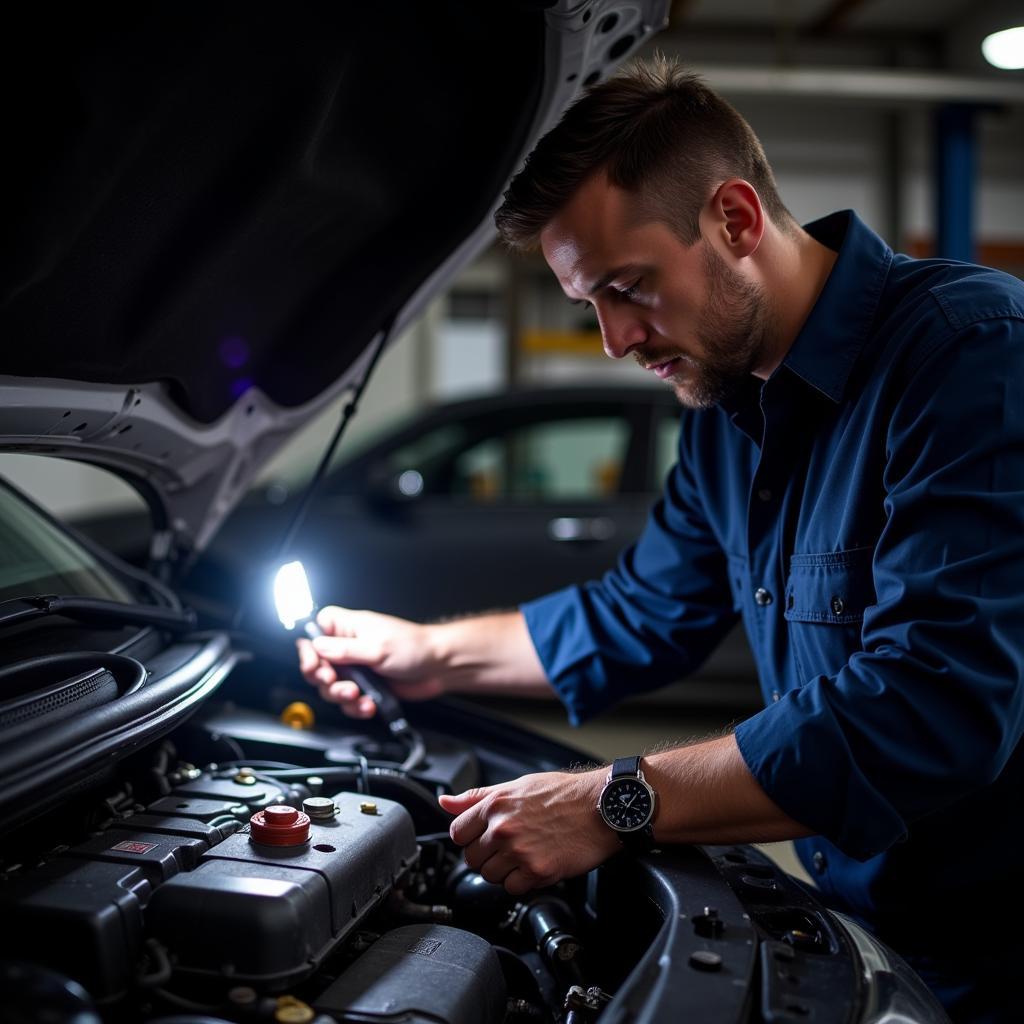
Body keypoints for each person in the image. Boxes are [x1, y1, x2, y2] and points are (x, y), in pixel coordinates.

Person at [298, 58, 1024, 1022]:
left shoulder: (968, 353)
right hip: (870, 929)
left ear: (734, 219)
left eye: (628, 288)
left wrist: (611, 799)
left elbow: (933, 709)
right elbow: (640, 613)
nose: (612, 339)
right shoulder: (727, 410)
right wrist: (426, 654)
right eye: (588, 303)